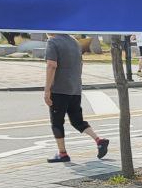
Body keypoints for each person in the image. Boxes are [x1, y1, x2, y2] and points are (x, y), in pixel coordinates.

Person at [43, 32, 109, 163]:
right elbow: (81, 64)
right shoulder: (74, 42)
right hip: (75, 88)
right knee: (77, 120)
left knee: (57, 122)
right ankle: (98, 140)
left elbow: (51, 65)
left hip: (59, 89)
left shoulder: (53, 42)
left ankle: (62, 154)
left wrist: (47, 90)